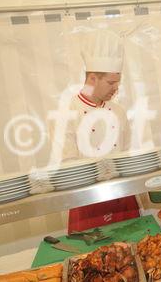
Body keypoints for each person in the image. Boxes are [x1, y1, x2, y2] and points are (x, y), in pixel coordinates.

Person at [50, 30, 139, 233]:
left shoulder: (118, 111)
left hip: (123, 198)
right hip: (88, 202)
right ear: (92, 78)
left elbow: (126, 154)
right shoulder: (66, 113)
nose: (116, 88)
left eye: (118, 81)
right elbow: (66, 168)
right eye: (111, 82)